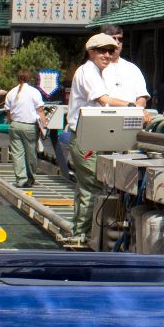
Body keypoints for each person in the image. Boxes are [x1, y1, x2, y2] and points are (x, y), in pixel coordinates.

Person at [65, 31, 151, 244]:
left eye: (110, 51)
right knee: (92, 186)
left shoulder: (103, 73)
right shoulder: (88, 72)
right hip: (87, 139)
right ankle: (82, 236)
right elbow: (103, 100)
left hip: (104, 138)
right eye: (101, 51)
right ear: (91, 52)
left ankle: (89, 232)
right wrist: (132, 108)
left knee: (95, 186)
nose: (106, 55)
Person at [3, 68, 49, 189]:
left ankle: (20, 179)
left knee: (17, 154)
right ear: (30, 78)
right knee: (31, 153)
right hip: (30, 126)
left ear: (18, 78)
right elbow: (40, 111)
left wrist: (11, 121)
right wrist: (44, 126)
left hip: (15, 125)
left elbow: (8, 111)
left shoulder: (11, 92)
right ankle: (30, 178)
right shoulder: (34, 92)